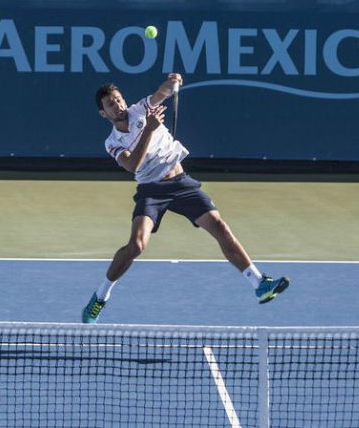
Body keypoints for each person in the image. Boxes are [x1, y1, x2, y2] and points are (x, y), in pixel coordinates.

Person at [82, 74, 290, 324]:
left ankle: (259, 283)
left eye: (118, 100)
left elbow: (162, 92)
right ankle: (100, 296)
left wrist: (172, 82)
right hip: (151, 189)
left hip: (180, 183)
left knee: (220, 227)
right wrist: (148, 130)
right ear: (103, 113)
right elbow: (132, 165)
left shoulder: (142, 108)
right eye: (110, 104)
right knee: (137, 245)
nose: (117, 106)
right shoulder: (112, 142)